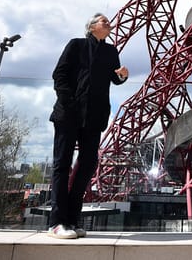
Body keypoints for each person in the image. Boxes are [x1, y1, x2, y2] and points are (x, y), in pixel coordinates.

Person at [47, 13, 129, 239]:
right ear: (92, 27)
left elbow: (114, 79)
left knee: (86, 166)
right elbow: (59, 75)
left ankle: (71, 220)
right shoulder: (76, 45)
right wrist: (68, 102)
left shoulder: (111, 51)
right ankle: (57, 222)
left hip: (94, 117)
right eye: (104, 21)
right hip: (69, 114)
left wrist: (122, 76)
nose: (108, 23)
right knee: (62, 165)